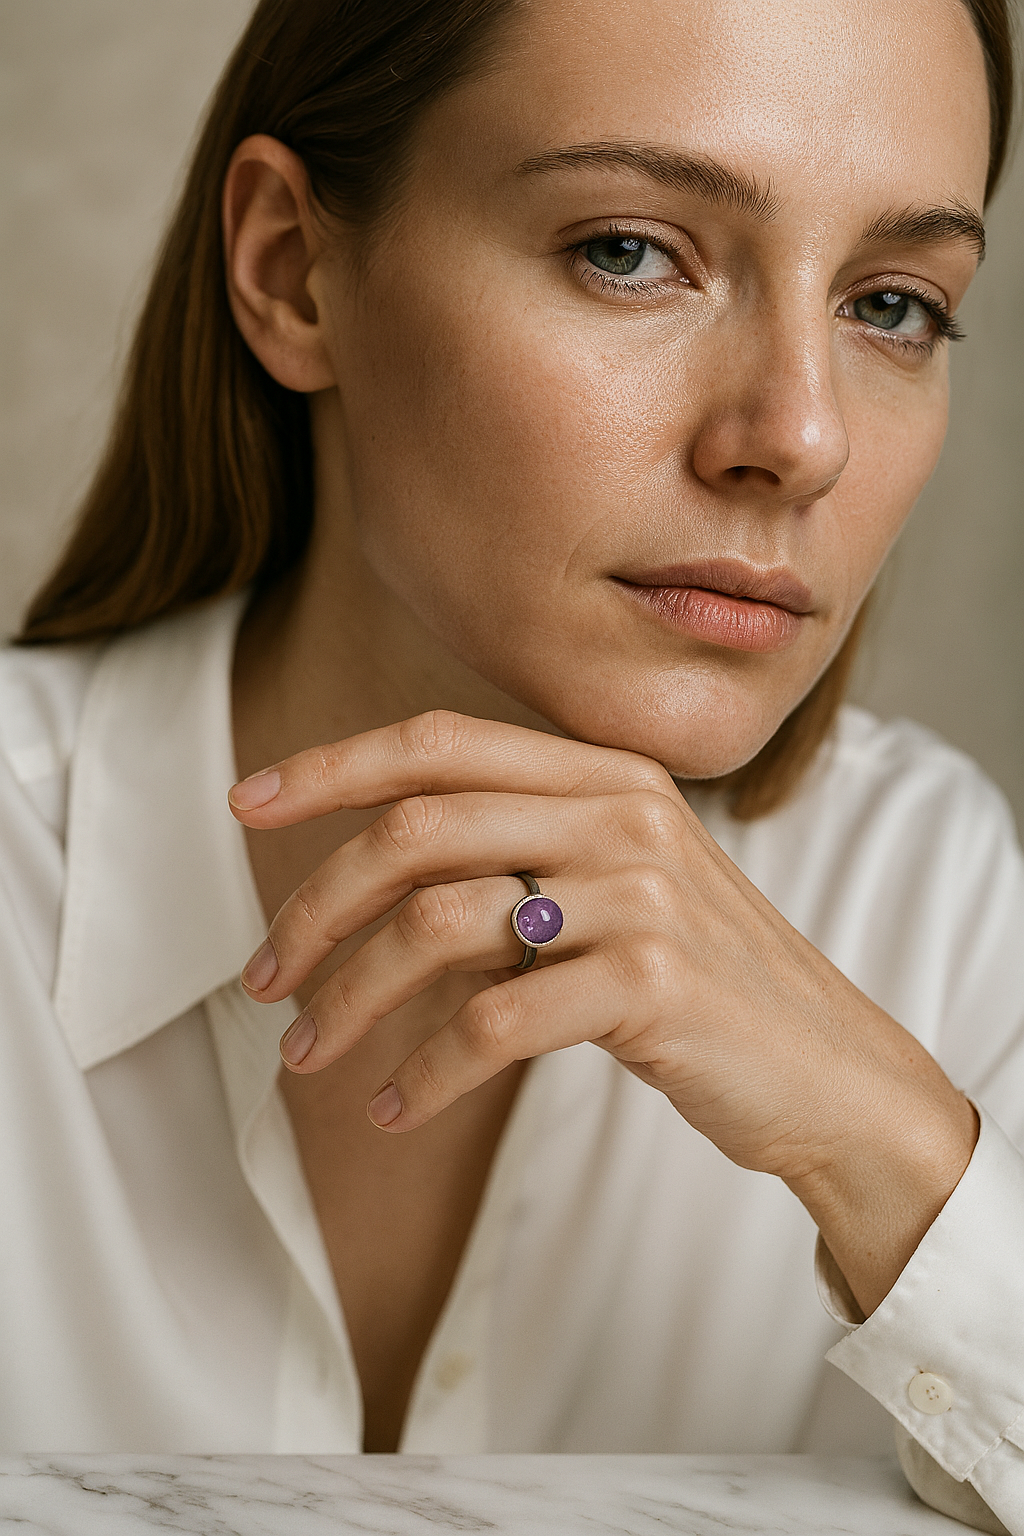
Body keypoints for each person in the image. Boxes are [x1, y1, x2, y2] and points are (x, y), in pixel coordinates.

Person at [1, 0, 1021, 1529]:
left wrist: (889, 1151)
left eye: (892, 305)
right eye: (629, 251)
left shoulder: (922, 887)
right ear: (291, 271)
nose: (800, 434)